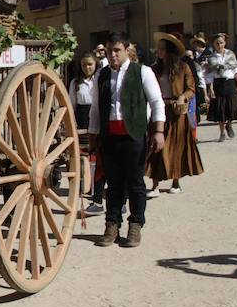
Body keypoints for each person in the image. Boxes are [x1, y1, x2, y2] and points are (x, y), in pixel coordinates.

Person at [88, 32, 166, 248]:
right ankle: (112, 224)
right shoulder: (101, 75)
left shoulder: (142, 72)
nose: (112, 55)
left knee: (135, 183)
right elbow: (95, 109)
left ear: (126, 50)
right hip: (110, 136)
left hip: (134, 135)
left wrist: (158, 131)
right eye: (109, 51)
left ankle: (136, 225)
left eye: (117, 51)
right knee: (113, 183)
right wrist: (93, 136)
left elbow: (157, 102)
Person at [146, 33, 204, 196]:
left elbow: (191, 88)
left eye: (162, 50)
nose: (159, 52)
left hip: (177, 113)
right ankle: (155, 184)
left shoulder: (183, 68)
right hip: (159, 109)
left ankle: (176, 181)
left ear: (170, 51)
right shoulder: (153, 69)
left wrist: (182, 97)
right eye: (158, 50)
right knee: (155, 145)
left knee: (177, 146)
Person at [69, 53, 106, 215]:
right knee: (83, 156)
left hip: (97, 115)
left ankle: (98, 189)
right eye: (84, 65)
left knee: (98, 157)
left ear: (95, 64)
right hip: (82, 118)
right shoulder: (75, 83)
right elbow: (71, 104)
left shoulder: (100, 80)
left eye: (90, 64)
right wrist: (73, 125)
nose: (87, 68)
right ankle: (85, 186)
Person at [204, 33, 237, 141]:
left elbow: (235, 71)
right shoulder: (212, 58)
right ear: (214, 45)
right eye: (217, 43)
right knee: (220, 110)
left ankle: (229, 124)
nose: (219, 45)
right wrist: (210, 89)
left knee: (232, 108)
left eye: (221, 43)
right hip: (218, 84)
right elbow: (210, 74)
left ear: (225, 43)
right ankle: (222, 133)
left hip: (230, 83)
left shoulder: (231, 55)